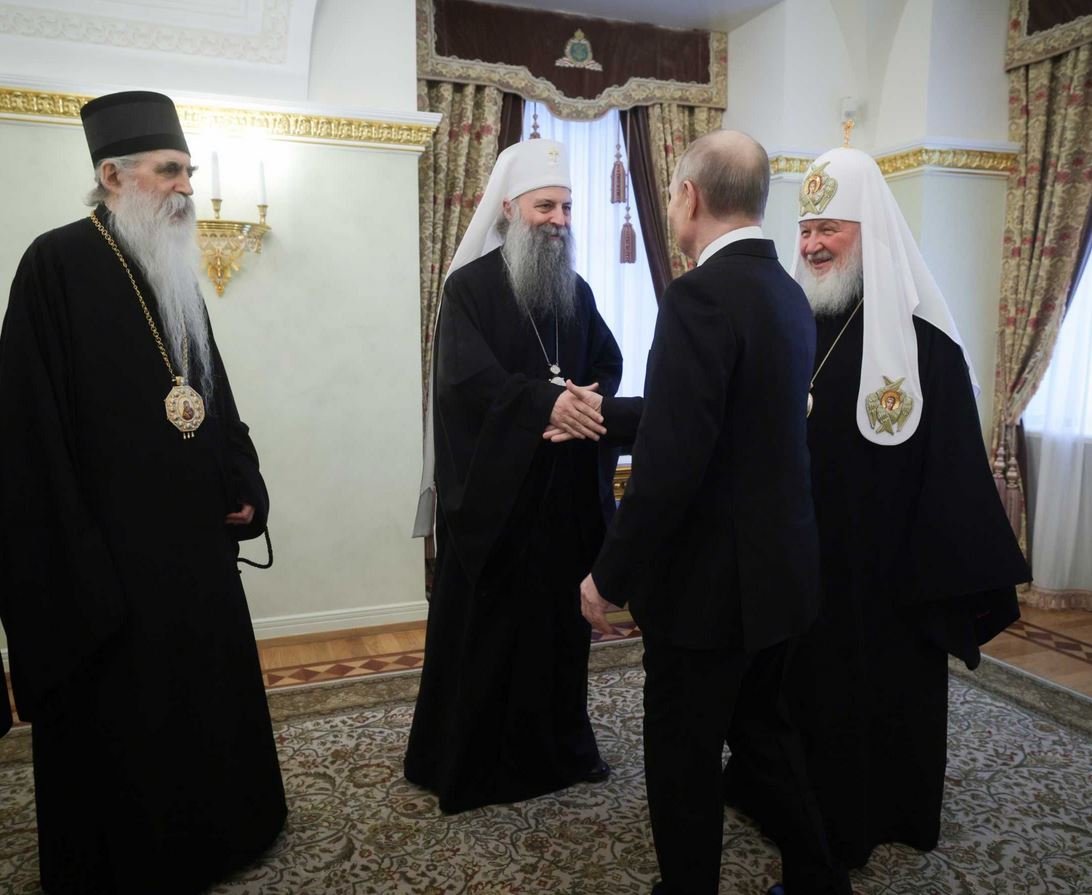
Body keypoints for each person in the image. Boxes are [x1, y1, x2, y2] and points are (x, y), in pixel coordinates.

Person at [0, 91, 286, 895]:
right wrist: (76, 563)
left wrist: (244, 481)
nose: (185, 188)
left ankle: (225, 831)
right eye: (170, 171)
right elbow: (29, 432)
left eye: (188, 172)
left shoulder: (174, 269)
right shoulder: (54, 264)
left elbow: (213, 398)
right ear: (112, 174)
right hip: (110, 561)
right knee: (129, 720)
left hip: (193, 551)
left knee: (202, 701)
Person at [724, 146, 1030, 871]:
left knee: (881, 703)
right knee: (797, 697)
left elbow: (951, 473)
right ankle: (791, 803)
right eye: (804, 230)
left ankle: (886, 808)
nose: (811, 245)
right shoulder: (789, 324)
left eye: (830, 228)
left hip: (890, 577)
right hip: (802, 563)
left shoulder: (926, 346)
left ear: (870, 230)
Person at [578, 130, 850, 895]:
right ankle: (819, 878)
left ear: (690, 198)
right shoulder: (788, 292)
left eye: (672, 193)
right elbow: (737, 421)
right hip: (782, 574)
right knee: (764, 735)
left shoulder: (698, 295)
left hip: (709, 591)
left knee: (683, 754)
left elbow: (671, 464)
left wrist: (610, 574)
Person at [404, 138, 623, 814]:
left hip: (561, 505)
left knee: (560, 640)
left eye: (565, 207)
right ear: (509, 208)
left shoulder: (577, 291)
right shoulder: (468, 289)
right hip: (498, 506)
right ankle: (473, 761)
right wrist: (542, 405)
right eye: (545, 206)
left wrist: (581, 402)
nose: (558, 219)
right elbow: (467, 383)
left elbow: (606, 363)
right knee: (490, 639)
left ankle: (563, 746)